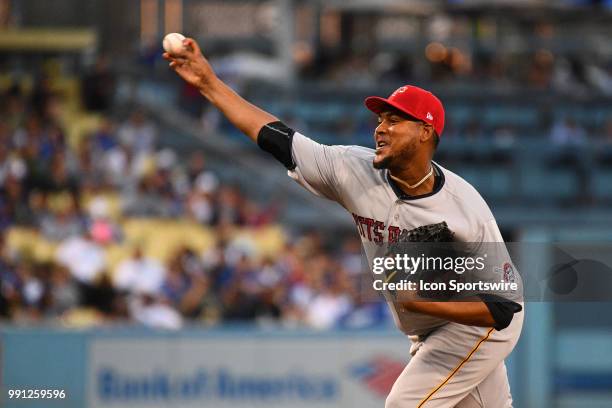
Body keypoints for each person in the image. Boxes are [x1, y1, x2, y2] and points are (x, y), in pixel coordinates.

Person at [164, 38, 524, 408]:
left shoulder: (464, 209)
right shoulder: (353, 169)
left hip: (478, 327)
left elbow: (502, 307)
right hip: (430, 330)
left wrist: (426, 304)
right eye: (380, 119)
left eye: (395, 120)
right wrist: (208, 81)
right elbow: (277, 139)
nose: (380, 128)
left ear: (425, 132)